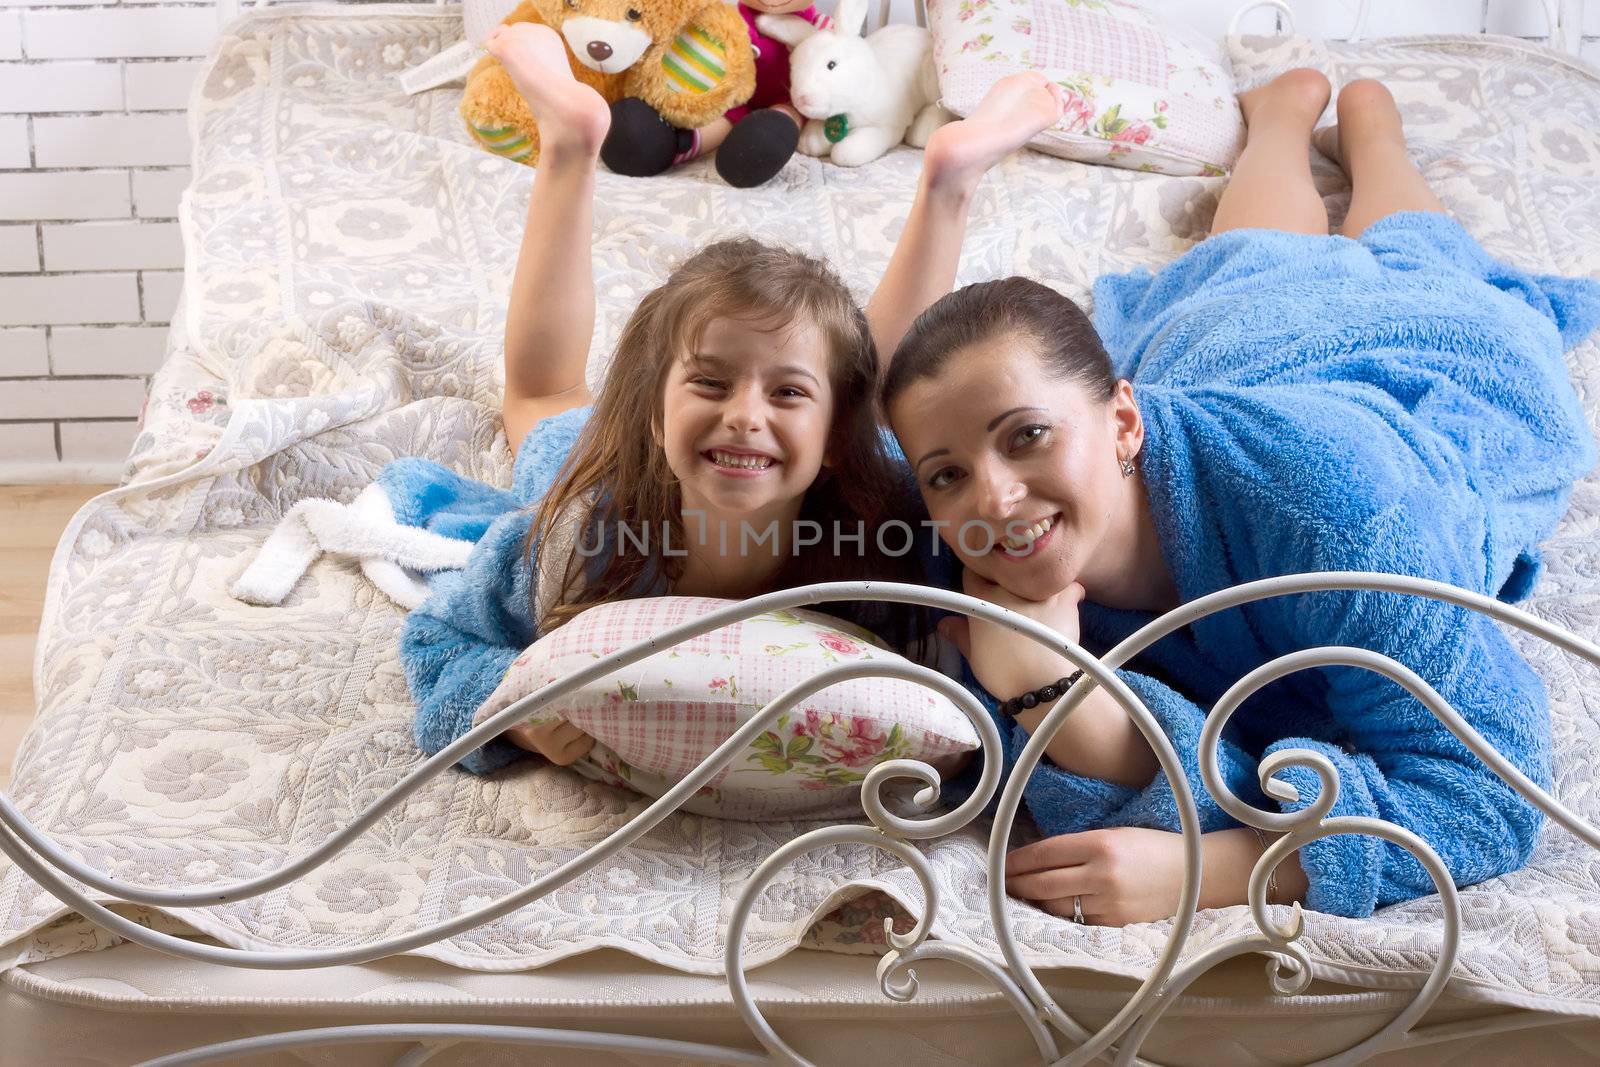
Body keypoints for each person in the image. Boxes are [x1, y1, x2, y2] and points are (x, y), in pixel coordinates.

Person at [867, 68, 1600, 923]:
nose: (990, 499)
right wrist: (944, 188)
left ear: (1123, 419)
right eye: (947, 473)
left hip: (1418, 373)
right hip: (1236, 343)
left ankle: (1372, 124)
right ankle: (1281, 117)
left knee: (1418, 254)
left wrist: (1217, 867)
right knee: (1246, 261)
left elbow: (1489, 790)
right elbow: (859, 437)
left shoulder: (1352, 520)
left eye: (1027, 435)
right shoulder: (951, 530)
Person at [403, 21, 928, 774]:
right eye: (711, 382)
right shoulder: (577, 534)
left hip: (834, 453)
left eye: (784, 393)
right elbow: (436, 639)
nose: (745, 412)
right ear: (656, 410)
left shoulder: (878, 535)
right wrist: (510, 714)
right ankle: (569, 146)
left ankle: (946, 183)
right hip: (607, 461)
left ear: (835, 439)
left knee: (865, 392)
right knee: (541, 396)